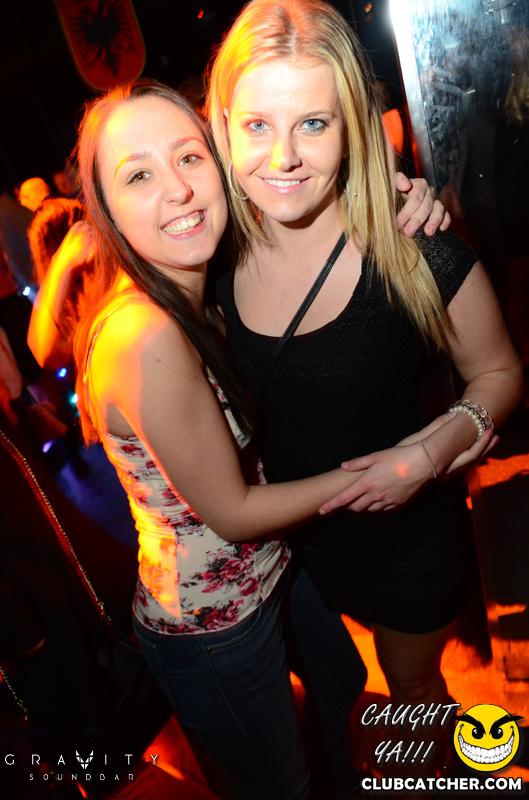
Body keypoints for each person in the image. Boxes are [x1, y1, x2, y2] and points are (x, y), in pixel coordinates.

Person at [207, 0, 523, 768]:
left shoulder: (413, 248)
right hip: (292, 547)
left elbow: (499, 372)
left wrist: (429, 453)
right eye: (257, 125)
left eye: (312, 123)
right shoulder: (208, 258)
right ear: (221, 126)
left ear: (352, 124)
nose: (283, 157)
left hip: (406, 541)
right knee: (342, 691)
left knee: (409, 689)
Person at [72, 79, 377, 800]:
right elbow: (234, 513)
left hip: (272, 566)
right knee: (283, 787)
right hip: (213, 627)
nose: (178, 189)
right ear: (107, 210)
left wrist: (394, 199)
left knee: (342, 679)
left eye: (189, 157)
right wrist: (381, 471)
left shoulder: (197, 289)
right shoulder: (145, 334)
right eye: (138, 175)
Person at [27, 197, 94, 369]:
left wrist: (60, 267)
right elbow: (43, 353)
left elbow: (44, 354)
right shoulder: (57, 294)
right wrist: (62, 265)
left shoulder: (98, 276)